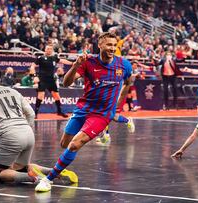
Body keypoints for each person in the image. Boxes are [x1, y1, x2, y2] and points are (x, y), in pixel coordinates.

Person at [35, 32, 133, 192]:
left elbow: (128, 83)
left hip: (102, 114)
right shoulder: (89, 63)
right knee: (65, 144)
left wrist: (117, 107)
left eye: (115, 45)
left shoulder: (124, 65)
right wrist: (75, 65)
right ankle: (61, 166)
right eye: (109, 45)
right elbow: (66, 83)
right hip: (83, 109)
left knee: (74, 145)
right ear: (100, 45)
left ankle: (48, 179)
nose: (112, 48)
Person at [0, 66, 77, 184]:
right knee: (21, 167)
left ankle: (36, 179)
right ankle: (55, 172)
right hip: (28, 134)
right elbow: (31, 113)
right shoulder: (14, 91)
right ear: (0, 78)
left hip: (10, 136)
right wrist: (26, 130)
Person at [30, 44, 73, 118]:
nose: (49, 50)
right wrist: (34, 76)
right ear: (45, 49)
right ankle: (35, 113)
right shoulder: (40, 58)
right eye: (47, 48)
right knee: (41, 96)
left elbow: (62, 60)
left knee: (57, 96)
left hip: (51, 80)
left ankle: (59, 112)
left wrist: (72, 63)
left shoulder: (54, 57)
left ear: (52, 50)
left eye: (50, 49)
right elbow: (32, 66)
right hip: (42, 79)